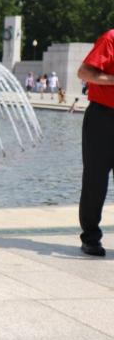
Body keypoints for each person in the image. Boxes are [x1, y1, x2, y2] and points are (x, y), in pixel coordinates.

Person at [76, 28, 114, 257]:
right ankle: (90, 238)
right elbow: (84, 72)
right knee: (95, 181)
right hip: (103, 119)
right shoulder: (111, 39)